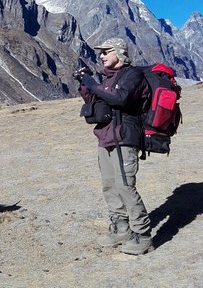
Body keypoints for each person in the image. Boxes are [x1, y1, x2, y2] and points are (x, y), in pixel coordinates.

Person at [75, 37, 153, 255]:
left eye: (106, 52)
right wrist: (85, 84)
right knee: (109, 185)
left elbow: (119, 99)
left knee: (125, 185)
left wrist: (93, 84)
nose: (101, 55)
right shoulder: (107, 79)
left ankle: (143, 235)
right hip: (106, 137)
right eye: (101, 53)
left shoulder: (132, 75)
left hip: (124, 138)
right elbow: (97, 103)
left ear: (119, 53)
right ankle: (121, 228)